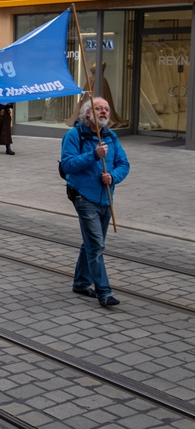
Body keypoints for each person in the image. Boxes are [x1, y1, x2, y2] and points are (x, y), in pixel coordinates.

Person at [61, 97, 129, 307]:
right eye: (99, 108)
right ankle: (104, 292)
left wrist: (113, 177)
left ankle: (81, 283)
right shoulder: (74, 135)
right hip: (83, 196)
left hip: (106, 197)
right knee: (97, 245)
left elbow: (123, 164)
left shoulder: (111, 136)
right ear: (88, 113)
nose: (104, 112)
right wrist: (93, 155)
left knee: (91, 243)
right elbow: (67, 165)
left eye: (106, 109)